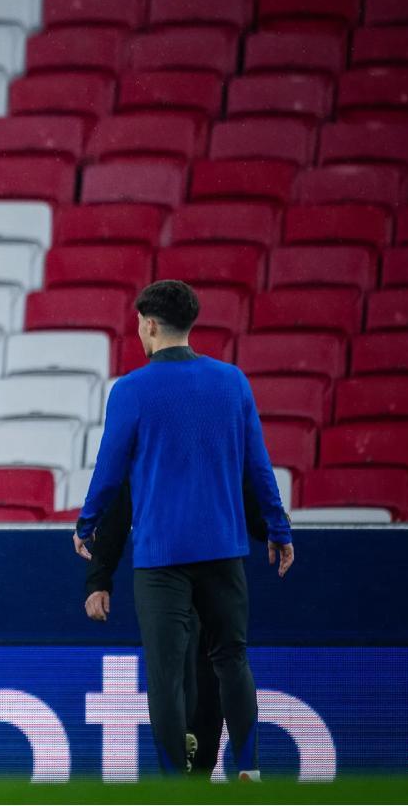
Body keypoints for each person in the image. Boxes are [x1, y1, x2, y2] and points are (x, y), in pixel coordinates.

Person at [76, 279, 294, 780]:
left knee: (166, 676)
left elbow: (110, 470)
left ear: (150, 325)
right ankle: (249, 771)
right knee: (232, 660)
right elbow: (258, 467)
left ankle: (176, 784)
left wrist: (87, 522)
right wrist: (278, 528)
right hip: (223, 551)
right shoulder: (232, 382)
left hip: (161, 558)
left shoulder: (131, 390)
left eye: (139, 323)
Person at [83, 480, 275, 776]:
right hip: (213, 561)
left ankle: (190, 764)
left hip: (166, 566)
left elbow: (118, 497)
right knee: (222, 662)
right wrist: (273, 527)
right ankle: (236, 770)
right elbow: (244, 479)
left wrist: (98, 576)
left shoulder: (147, 452)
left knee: (177, 669)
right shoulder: (216, 449)